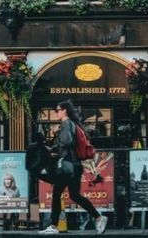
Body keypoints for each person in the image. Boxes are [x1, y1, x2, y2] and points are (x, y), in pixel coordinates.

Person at [39, 100, 107, 235]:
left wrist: (54, 146)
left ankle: (53, 226)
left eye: (57, 110)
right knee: (75, 196)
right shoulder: (73, 124)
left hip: (67, 166)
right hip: (75, 166)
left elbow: (67, 142)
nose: (56, 112)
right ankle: (99, 217)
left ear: (64, 110)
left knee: (57, 194)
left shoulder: (65, 124)